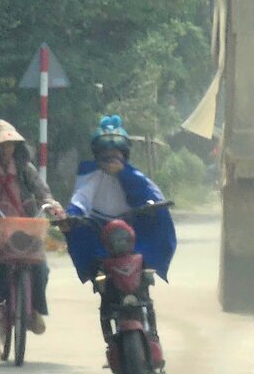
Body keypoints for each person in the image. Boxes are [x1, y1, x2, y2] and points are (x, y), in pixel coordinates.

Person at [62, 115, 176, 336]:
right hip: (101, 240)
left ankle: (151, 330)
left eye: (116, 155)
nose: (111, 160)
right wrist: (71, 217)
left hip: (133, 238)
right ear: (98, 156)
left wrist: (124, 176)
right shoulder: (89, 174)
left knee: (158, 226)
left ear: (124, 155)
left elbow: (152, 197)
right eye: (106, 156)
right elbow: (80, 200)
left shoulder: (134, 175)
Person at [0, 119, 64, 335]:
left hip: (26, 226)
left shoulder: (25, 169)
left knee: (41, 267)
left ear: (16, 147)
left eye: (9, 145)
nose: (6, 150)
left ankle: (34, 310)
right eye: (1, 146)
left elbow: (42, 191)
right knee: (1, 263)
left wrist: (52, 205)